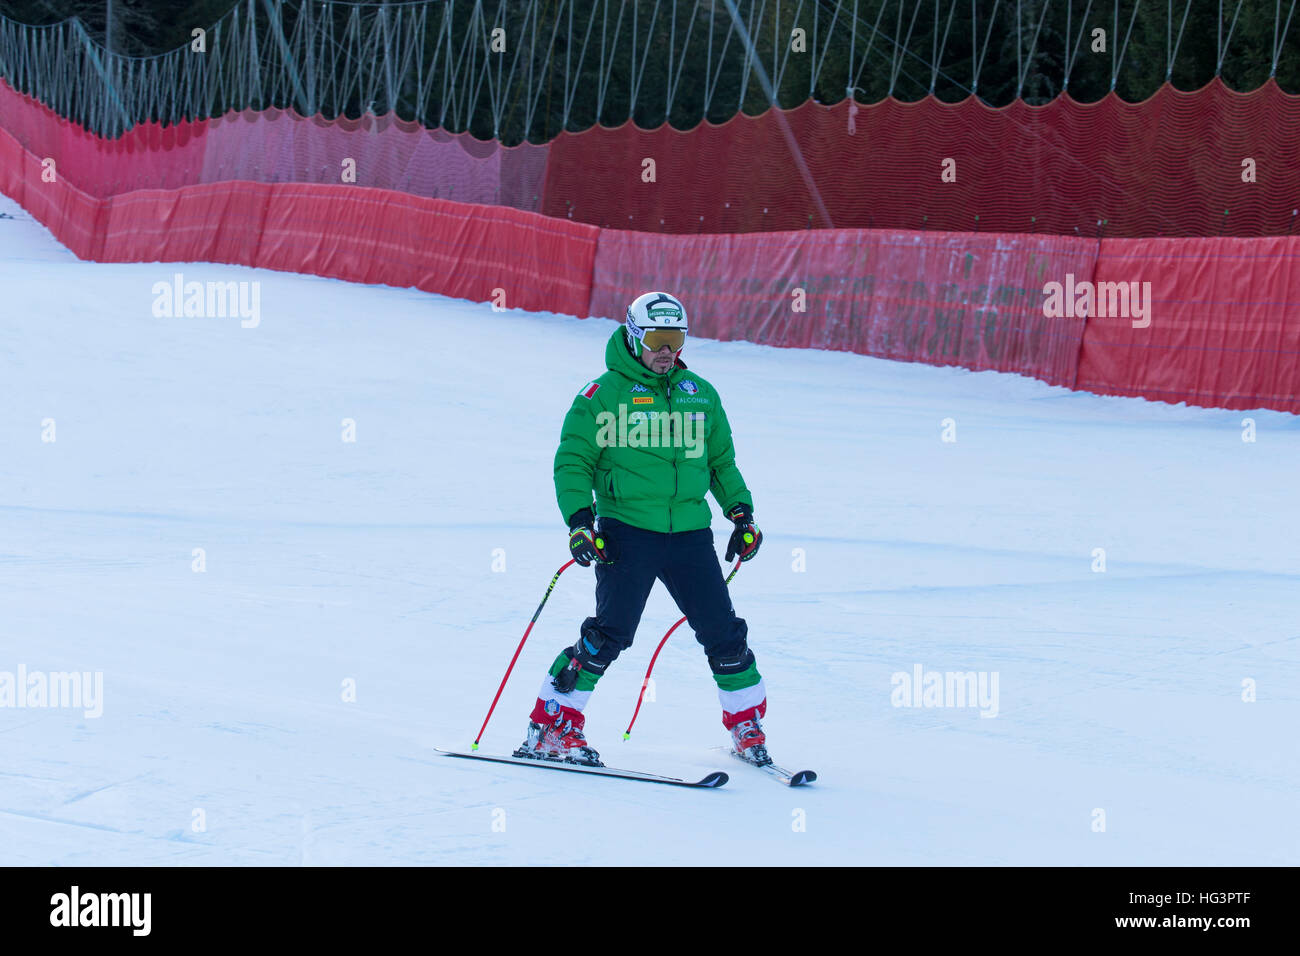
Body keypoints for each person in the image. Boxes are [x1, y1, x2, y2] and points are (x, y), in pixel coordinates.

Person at [514, 291, 767, 767]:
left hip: (690, 534)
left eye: (675, 338)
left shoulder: (701, 394)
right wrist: (580, 522)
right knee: (610, 634)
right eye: (656, 338)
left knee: (724, 633)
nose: (666, 349)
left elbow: (720, 463)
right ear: (633, 336)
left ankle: (747, 725)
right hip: (627, 531)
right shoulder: (603, 395)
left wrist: (741, 513)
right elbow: (573, 462)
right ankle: (552, 725)